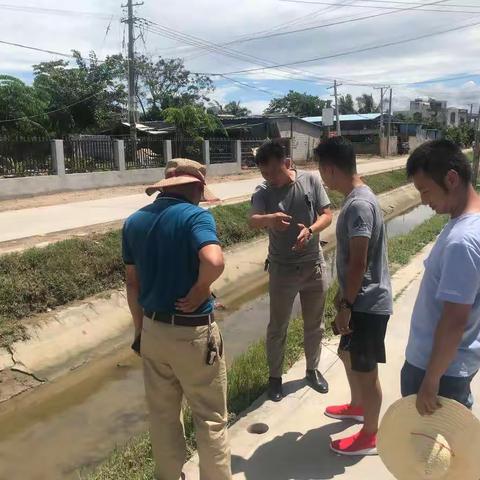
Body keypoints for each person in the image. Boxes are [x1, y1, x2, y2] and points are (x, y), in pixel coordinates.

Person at [122, 158, 231, 480]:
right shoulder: (196, 216)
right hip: (192, 333)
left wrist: (141, 330)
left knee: (163, 415)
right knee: (210, 417)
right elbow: (214, 260)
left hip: (153, 330)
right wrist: (201, 289)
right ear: (196, 187)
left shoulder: (134, 222)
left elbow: (132, 283)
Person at [315, 137, 393, 456]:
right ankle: (358, 406)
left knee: (365, 366)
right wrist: (341, 296)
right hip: (358, 297)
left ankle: (371, 435)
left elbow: (359, 260)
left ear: (331, 169)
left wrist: (346, 305)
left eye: (322, 171)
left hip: (367, 302)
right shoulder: (356, 198)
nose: (322, 178)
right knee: (350, 356)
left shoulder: (359, 204)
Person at [249, 139, 333, 402]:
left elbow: (327, 214)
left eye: (274, 171)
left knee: (314, 324)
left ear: (286, 163)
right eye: (264, 173)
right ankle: (275, 378)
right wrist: (270, 219)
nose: (270, 178)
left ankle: (312, 370)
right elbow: (252, 220)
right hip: (282, 270)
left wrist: (311, 231)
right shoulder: (263, 191)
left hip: (313, 266)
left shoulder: (310, 181)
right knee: (278, 326)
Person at [402, 140, 480, 415]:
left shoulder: (463, 240)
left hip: (436, 372)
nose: (423, 200)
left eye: (425, 190)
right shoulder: (469, 223)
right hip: (452, 367)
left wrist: (430, 380)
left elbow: (454, 320)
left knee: (427, 454)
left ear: (451, 179)